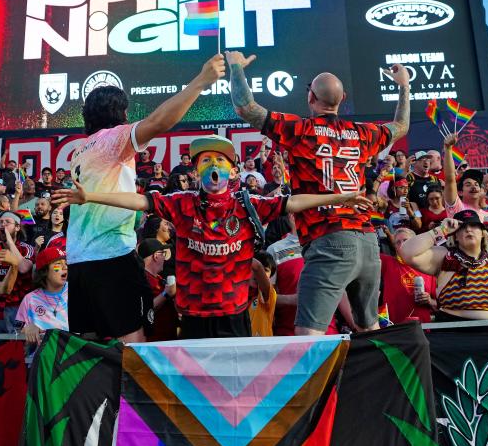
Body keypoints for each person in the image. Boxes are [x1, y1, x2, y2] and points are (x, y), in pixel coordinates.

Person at [61, 134, 373, 339]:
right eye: (205, 161)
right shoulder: (181, 203)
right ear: (196, 172)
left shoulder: (247, 205)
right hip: (194, 319)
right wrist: (90, 197)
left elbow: (293, 201)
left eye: (220, 161)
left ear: (233, 172)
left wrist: (339, 198)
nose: (213, 166)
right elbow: (139, 200)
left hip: (234, 317)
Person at [229, 51, 410, 336]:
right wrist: (404, 86)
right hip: (367, 241)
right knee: (369, 329)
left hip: (328, 240)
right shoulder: (363, 133)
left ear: (310, 97)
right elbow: (401, 127)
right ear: (343, 98)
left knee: (308, 337)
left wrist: (236, 68)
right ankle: (378, 381)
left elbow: (245, 107)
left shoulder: (301, 130)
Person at [48, 55, 226, 342]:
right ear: (120, 112)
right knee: (133, 347)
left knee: (91, 350)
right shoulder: (113, 139)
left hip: (79, 261)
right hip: (111, 256)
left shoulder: (80, 150)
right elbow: (159, 121)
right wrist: (201, 82)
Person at [0, 212, 35, 332]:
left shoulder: (26, 248)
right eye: (0, 222)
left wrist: (10, 243)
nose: (3, 225)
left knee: (15, 347)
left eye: (7, 222)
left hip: (17, 308)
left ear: (17, 227)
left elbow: (24, 268)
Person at [379, 228, 437, 324]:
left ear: (416, 243)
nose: (402, 245)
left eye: (406, 240)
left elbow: (442, 306)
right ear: (395, 247)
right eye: (398, 242)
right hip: (394, 327)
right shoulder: (387, 262)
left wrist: (430, 301)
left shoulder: (429, 267)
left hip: (422, 327)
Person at [16, 246, 70, 344]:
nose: (65, 267)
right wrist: (28, 328)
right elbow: (18, 332)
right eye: (58, 264)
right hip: (42, 357)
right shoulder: (30, 299)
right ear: (44, 270)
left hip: (73, 356)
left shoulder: (77, 293)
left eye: (66, 263)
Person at [138, 238, 178, 342]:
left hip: (167, 339)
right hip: (154, 344)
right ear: (156, 256)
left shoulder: (159, 278)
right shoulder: (141, 280)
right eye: (163, 254)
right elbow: (144, 309)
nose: (165, 258)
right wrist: (166, 293)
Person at [249, 251, 277, 337]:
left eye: (266, 270)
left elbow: (257, 268)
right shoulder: (237, 293)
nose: (258, 273)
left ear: (270, 277)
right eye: (252, 269)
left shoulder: (270, 293)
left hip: (263, 349)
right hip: (241, 348)